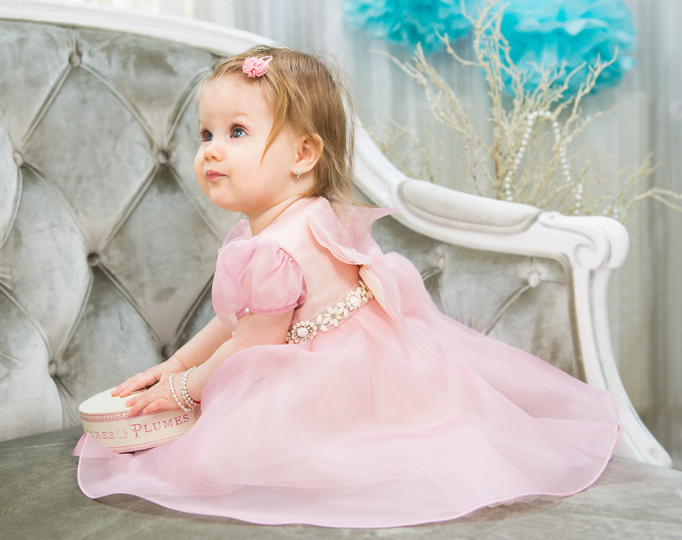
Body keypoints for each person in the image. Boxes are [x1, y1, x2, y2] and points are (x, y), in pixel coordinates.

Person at [73, 45, 620, 528]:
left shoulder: (269, 249)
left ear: (303, 155)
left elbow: (253, 345)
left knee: (227, 451)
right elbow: (238, 319)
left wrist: (182, 390)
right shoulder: (312, 213)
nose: (211, 150)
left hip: (330, 381)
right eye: (206, 133)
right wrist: (175, 364)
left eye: (236, 132)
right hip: (386, 362)